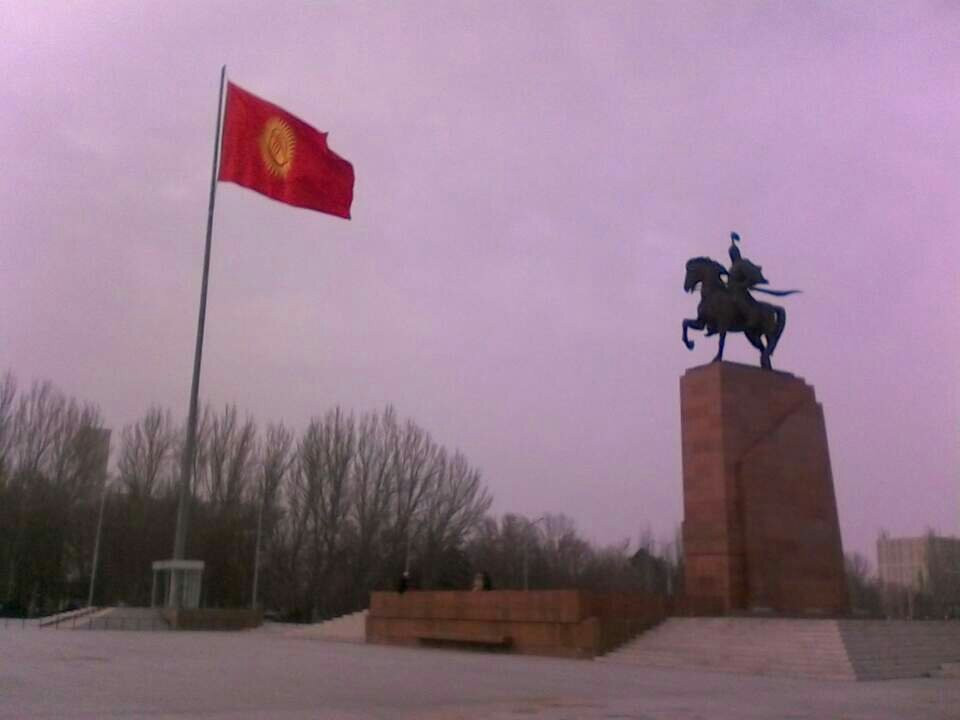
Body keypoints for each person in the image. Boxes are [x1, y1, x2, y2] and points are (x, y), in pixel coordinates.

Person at [726, 232, 767, 325]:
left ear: (737, 253)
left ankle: (751, 317)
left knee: (737, 300)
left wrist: (742, 285)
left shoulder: (743, 264)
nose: (732, 255)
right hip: (731, 291)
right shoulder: (732, 267)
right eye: (731, 254)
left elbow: (750, 277)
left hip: (740, 292)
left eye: (734, 253)